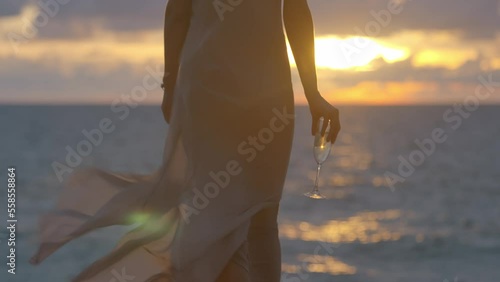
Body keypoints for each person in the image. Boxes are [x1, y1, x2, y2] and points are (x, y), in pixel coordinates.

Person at [30, 0, 340, 281]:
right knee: (261, 218)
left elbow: (178, 11)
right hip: (265, 92)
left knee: (213, 211)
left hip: (213, 87)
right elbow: (296, 10)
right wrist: (312, 94)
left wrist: (170, 84)